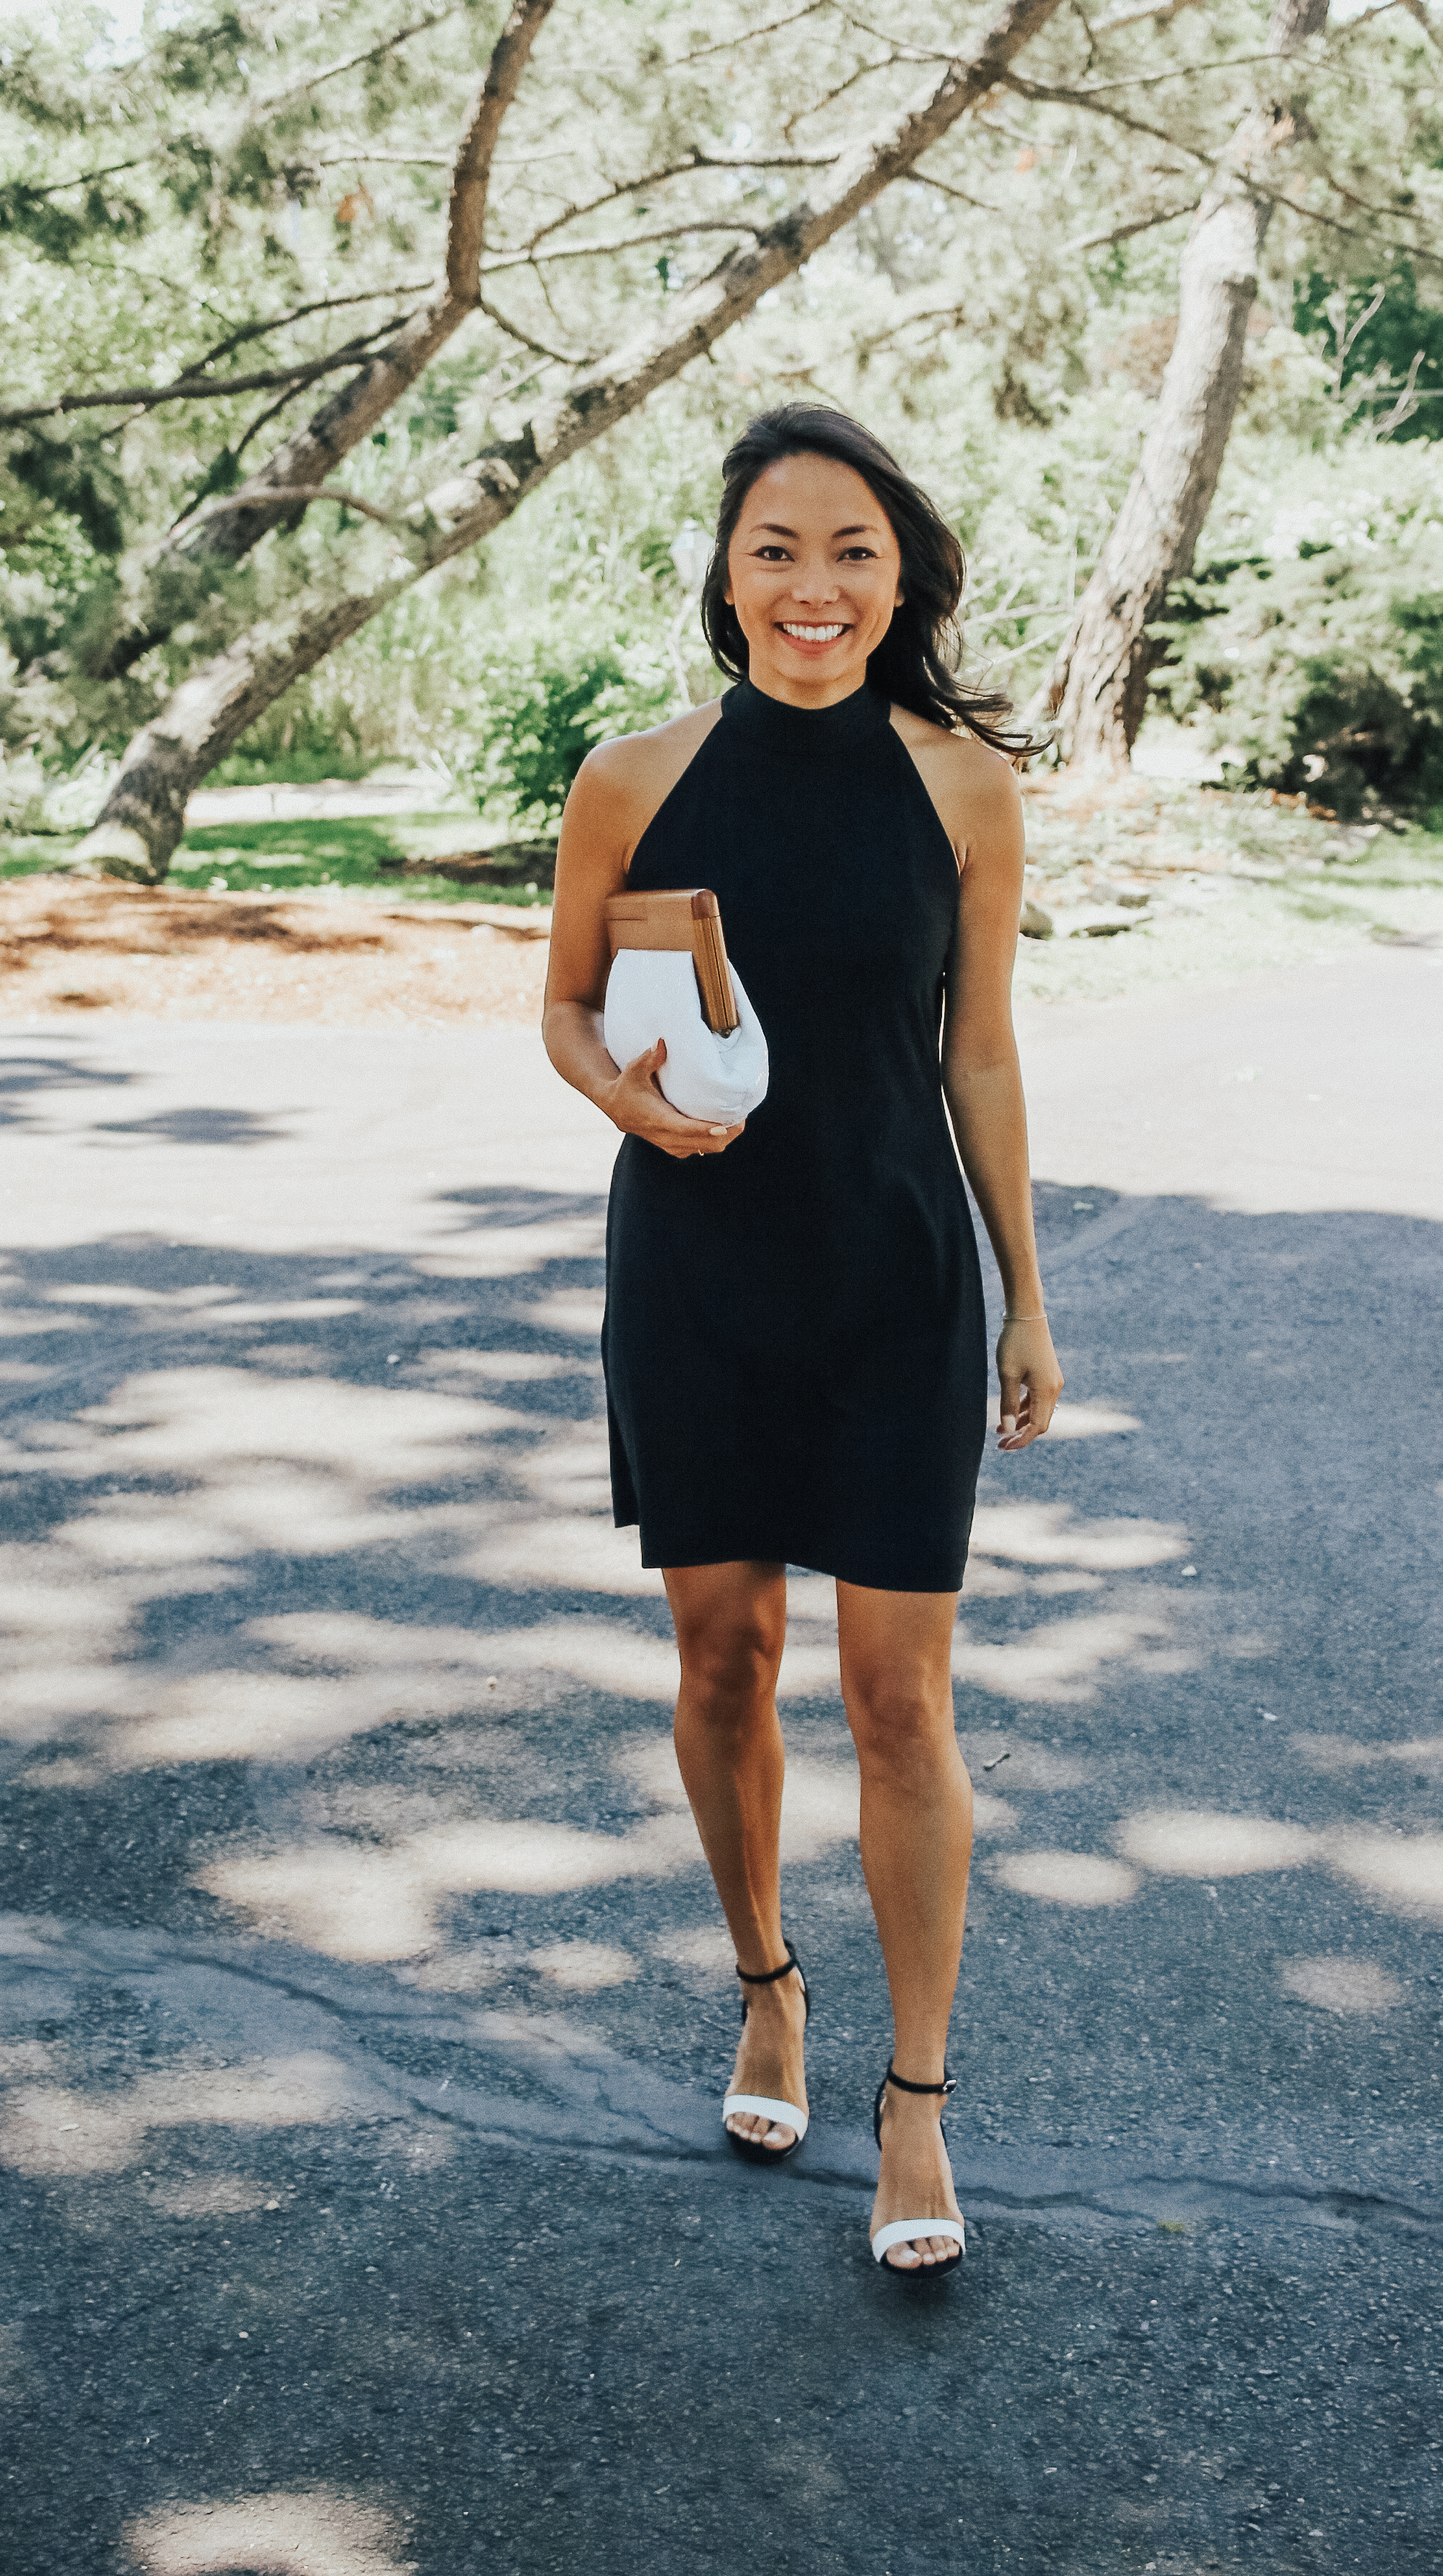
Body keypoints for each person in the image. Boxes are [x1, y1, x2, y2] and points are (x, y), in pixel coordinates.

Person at [543, 404, 1063, 2278]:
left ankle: (914, 2104)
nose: (814, 586)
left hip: (897, 1279)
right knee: (722, 1662)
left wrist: (1028, 1294)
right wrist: (634, 1107)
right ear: (728, 570)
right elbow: (571, 1016)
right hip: (694, 1269)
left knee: (901, 1703)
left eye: (852, 550)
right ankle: (770, 1983)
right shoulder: (632, 778)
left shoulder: (963, 789)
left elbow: (981, 1052)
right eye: (777, 548)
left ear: (900, 573)